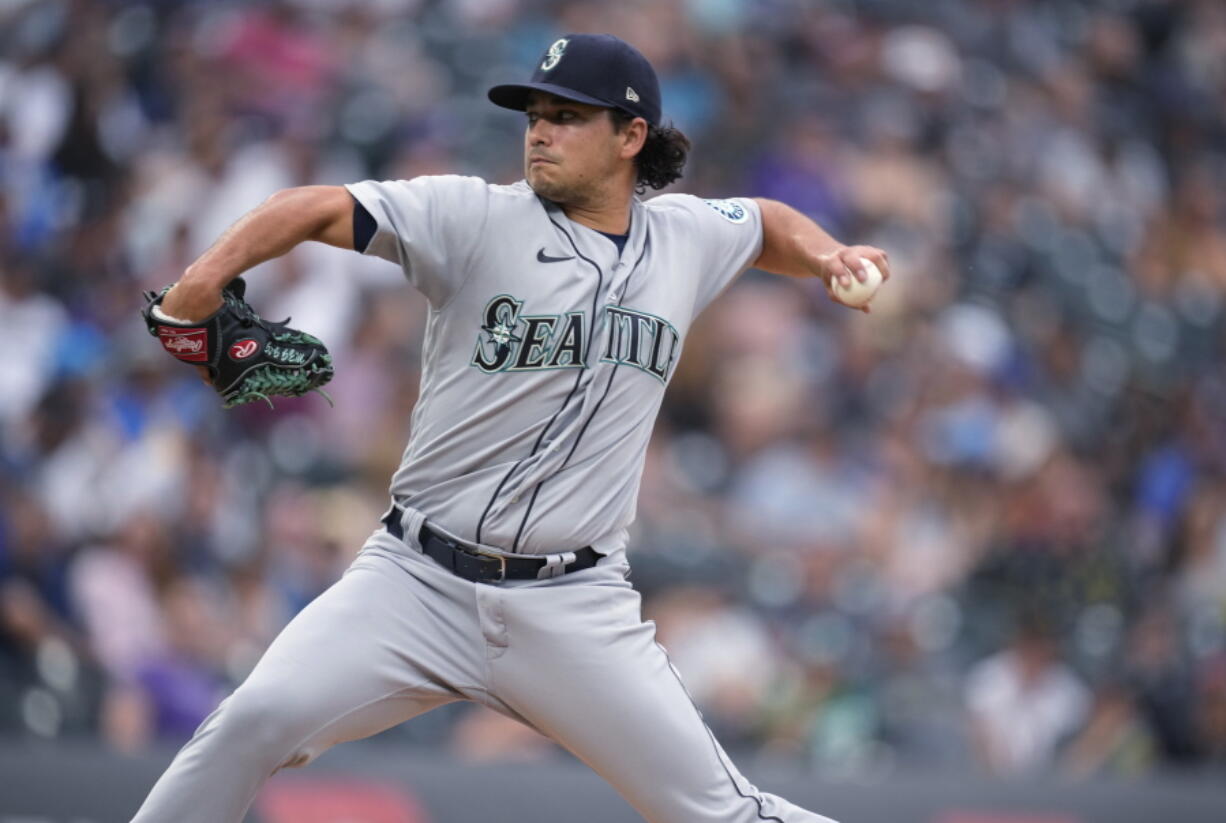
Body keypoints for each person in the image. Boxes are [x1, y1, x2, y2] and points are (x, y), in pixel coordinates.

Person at [130, 33, 889, 823]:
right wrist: (196, 289)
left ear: (632, 138)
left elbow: (764, 222)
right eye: (534, 114)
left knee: (720, 811)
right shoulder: (472, 216)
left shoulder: (685, 238)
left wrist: (830, 254)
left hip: (572, 605)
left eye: (567, 116)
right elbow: (315, 206)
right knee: (248, 725)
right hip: (412, 583)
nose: (539, 131)